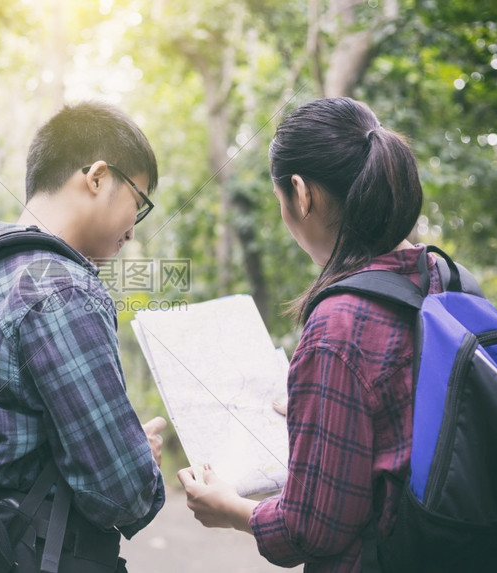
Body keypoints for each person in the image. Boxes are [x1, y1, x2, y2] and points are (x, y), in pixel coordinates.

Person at [178, 96, 435, 571]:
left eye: (280, 201)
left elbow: (313, 529)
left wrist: (231, 509)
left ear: (301, 193)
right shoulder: (442, 278)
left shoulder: (340, 325)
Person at [0, 101, 167, 573]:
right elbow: (124, 494)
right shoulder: (61, 289)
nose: (133, 232)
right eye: (138, 202)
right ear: (97, 177)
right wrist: (141, 460)